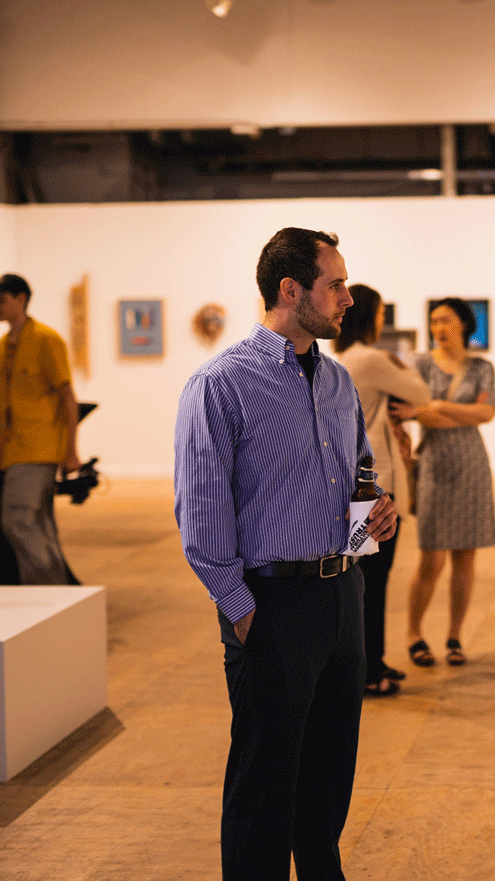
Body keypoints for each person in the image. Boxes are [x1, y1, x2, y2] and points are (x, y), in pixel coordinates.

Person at [173, 227, 398, 881]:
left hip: (339, 598)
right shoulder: (221, 384)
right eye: (336, 284)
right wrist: (244, 613)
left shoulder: (335, 381)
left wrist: (372, 519)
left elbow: (357, 474)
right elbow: (202, 513)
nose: (348, 298)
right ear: (290, 289)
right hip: (271, 606)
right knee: (264, 787)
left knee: (328, 779)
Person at [333, 284, 432, 697]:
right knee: (372, 583)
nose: (381, 323)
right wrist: (399, 362)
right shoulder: (372, 359)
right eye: (378, 316)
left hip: (362, 483)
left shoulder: (341, 359)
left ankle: (374, 660)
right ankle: (370, 672)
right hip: (378, 484)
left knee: (367, 581)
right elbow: (423, 393)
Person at [392, 297, 495, 668]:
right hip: (434, 462)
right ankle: (414, 634)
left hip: (472, 465)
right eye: (434, 321)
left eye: (446, 320)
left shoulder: (482, 367)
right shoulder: (420, 363)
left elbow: (487, 413)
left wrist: (435, 408)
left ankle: (455, 636)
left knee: (465, 558)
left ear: (464, 325)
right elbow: (408, 411)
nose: (438, 328)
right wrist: (449, 414)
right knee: (431, 558)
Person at [0, 273, 83, 585]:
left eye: (1, 300)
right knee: (39, 524)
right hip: (13, 449)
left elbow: (67, 396)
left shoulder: (47, 340)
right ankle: (53, 596)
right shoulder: (5, 344)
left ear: (21, 299)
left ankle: (49, 588)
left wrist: (72, 451)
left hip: (39, 447)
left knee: (17, 520)